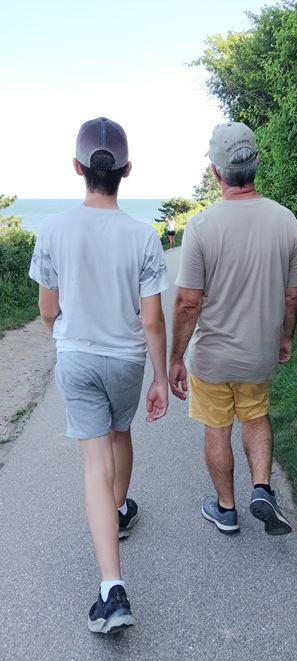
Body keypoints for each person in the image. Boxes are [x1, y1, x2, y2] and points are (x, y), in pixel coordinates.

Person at [29, 117, 168, 633]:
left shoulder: (53, 229)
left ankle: (112, 590)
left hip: (78, 357)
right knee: (120, 433)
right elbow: (151, 320)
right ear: (126, 171)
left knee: (95, 463)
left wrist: (64, 335)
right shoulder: (144, 236)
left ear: (77, 167)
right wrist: (160, 377)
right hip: (127, 359)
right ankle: (120, 510)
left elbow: (48, 310)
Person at [169, 122, 297, 537]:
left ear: (216, 172)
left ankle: (226, 509)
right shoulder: (285, 220)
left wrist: (175, 357)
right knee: (256, 416)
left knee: (217, 427)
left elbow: (188, 303)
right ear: (256, 164)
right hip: (258, 353)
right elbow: (291, 296)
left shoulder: (201, 227)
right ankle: (262, 488)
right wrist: (285, 338)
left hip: (213, 358)